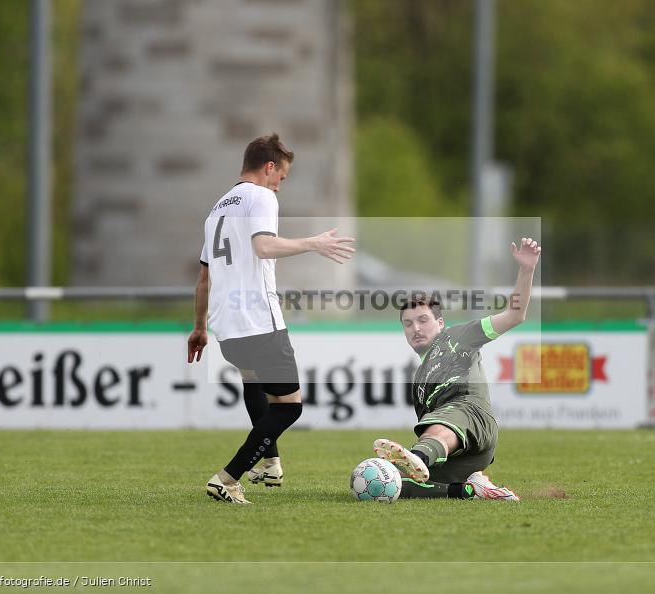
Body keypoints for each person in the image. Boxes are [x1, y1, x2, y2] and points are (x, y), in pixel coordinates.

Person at [188, 133, 354, 504]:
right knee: (290, 407)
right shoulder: (262, 196)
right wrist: (315, 243)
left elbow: (203, 279)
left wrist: (199, 328)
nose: (281, 183)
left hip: (226, 328)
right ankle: (228, 478)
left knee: (254, 384)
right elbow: (264, 246)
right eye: (282, 175)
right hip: (259, 320)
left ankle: (271, 461)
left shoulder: (216, 210)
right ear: (268, 168)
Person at [374, 237, 542, 501]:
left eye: (422, 320)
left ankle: (417, 456)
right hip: (466, 452)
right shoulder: (419, 380)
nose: (415, 328)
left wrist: (527, 270)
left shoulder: (457, 337)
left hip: (471, 414)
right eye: (408, 324)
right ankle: (470, 489)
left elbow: (514, 315)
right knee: (397, 485)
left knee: (442, 423)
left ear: (440, 323)